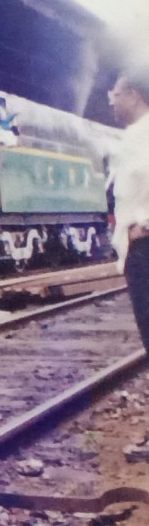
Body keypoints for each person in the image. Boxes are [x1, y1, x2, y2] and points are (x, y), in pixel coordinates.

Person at [108, 70, 149, 352]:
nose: (112, 102)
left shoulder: (140, 136)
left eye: (116, 95)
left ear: (133, 96)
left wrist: (144, 225)